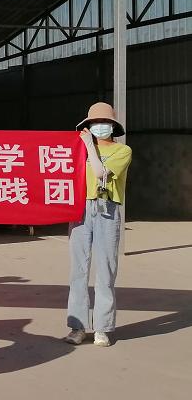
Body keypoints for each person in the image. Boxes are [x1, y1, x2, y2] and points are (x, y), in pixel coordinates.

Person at [64, 102, 132, 348]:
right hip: (80, 209)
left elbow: (101, 173)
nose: (99, 126)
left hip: (107, 210)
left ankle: (102, 328)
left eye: (104, 123)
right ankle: (77, 327)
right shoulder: (77, 149)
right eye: (94, 123)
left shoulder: (123, 151)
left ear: (113, 126)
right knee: (78, 271)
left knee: (106, 270)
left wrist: (89, 147)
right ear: (88, 125)